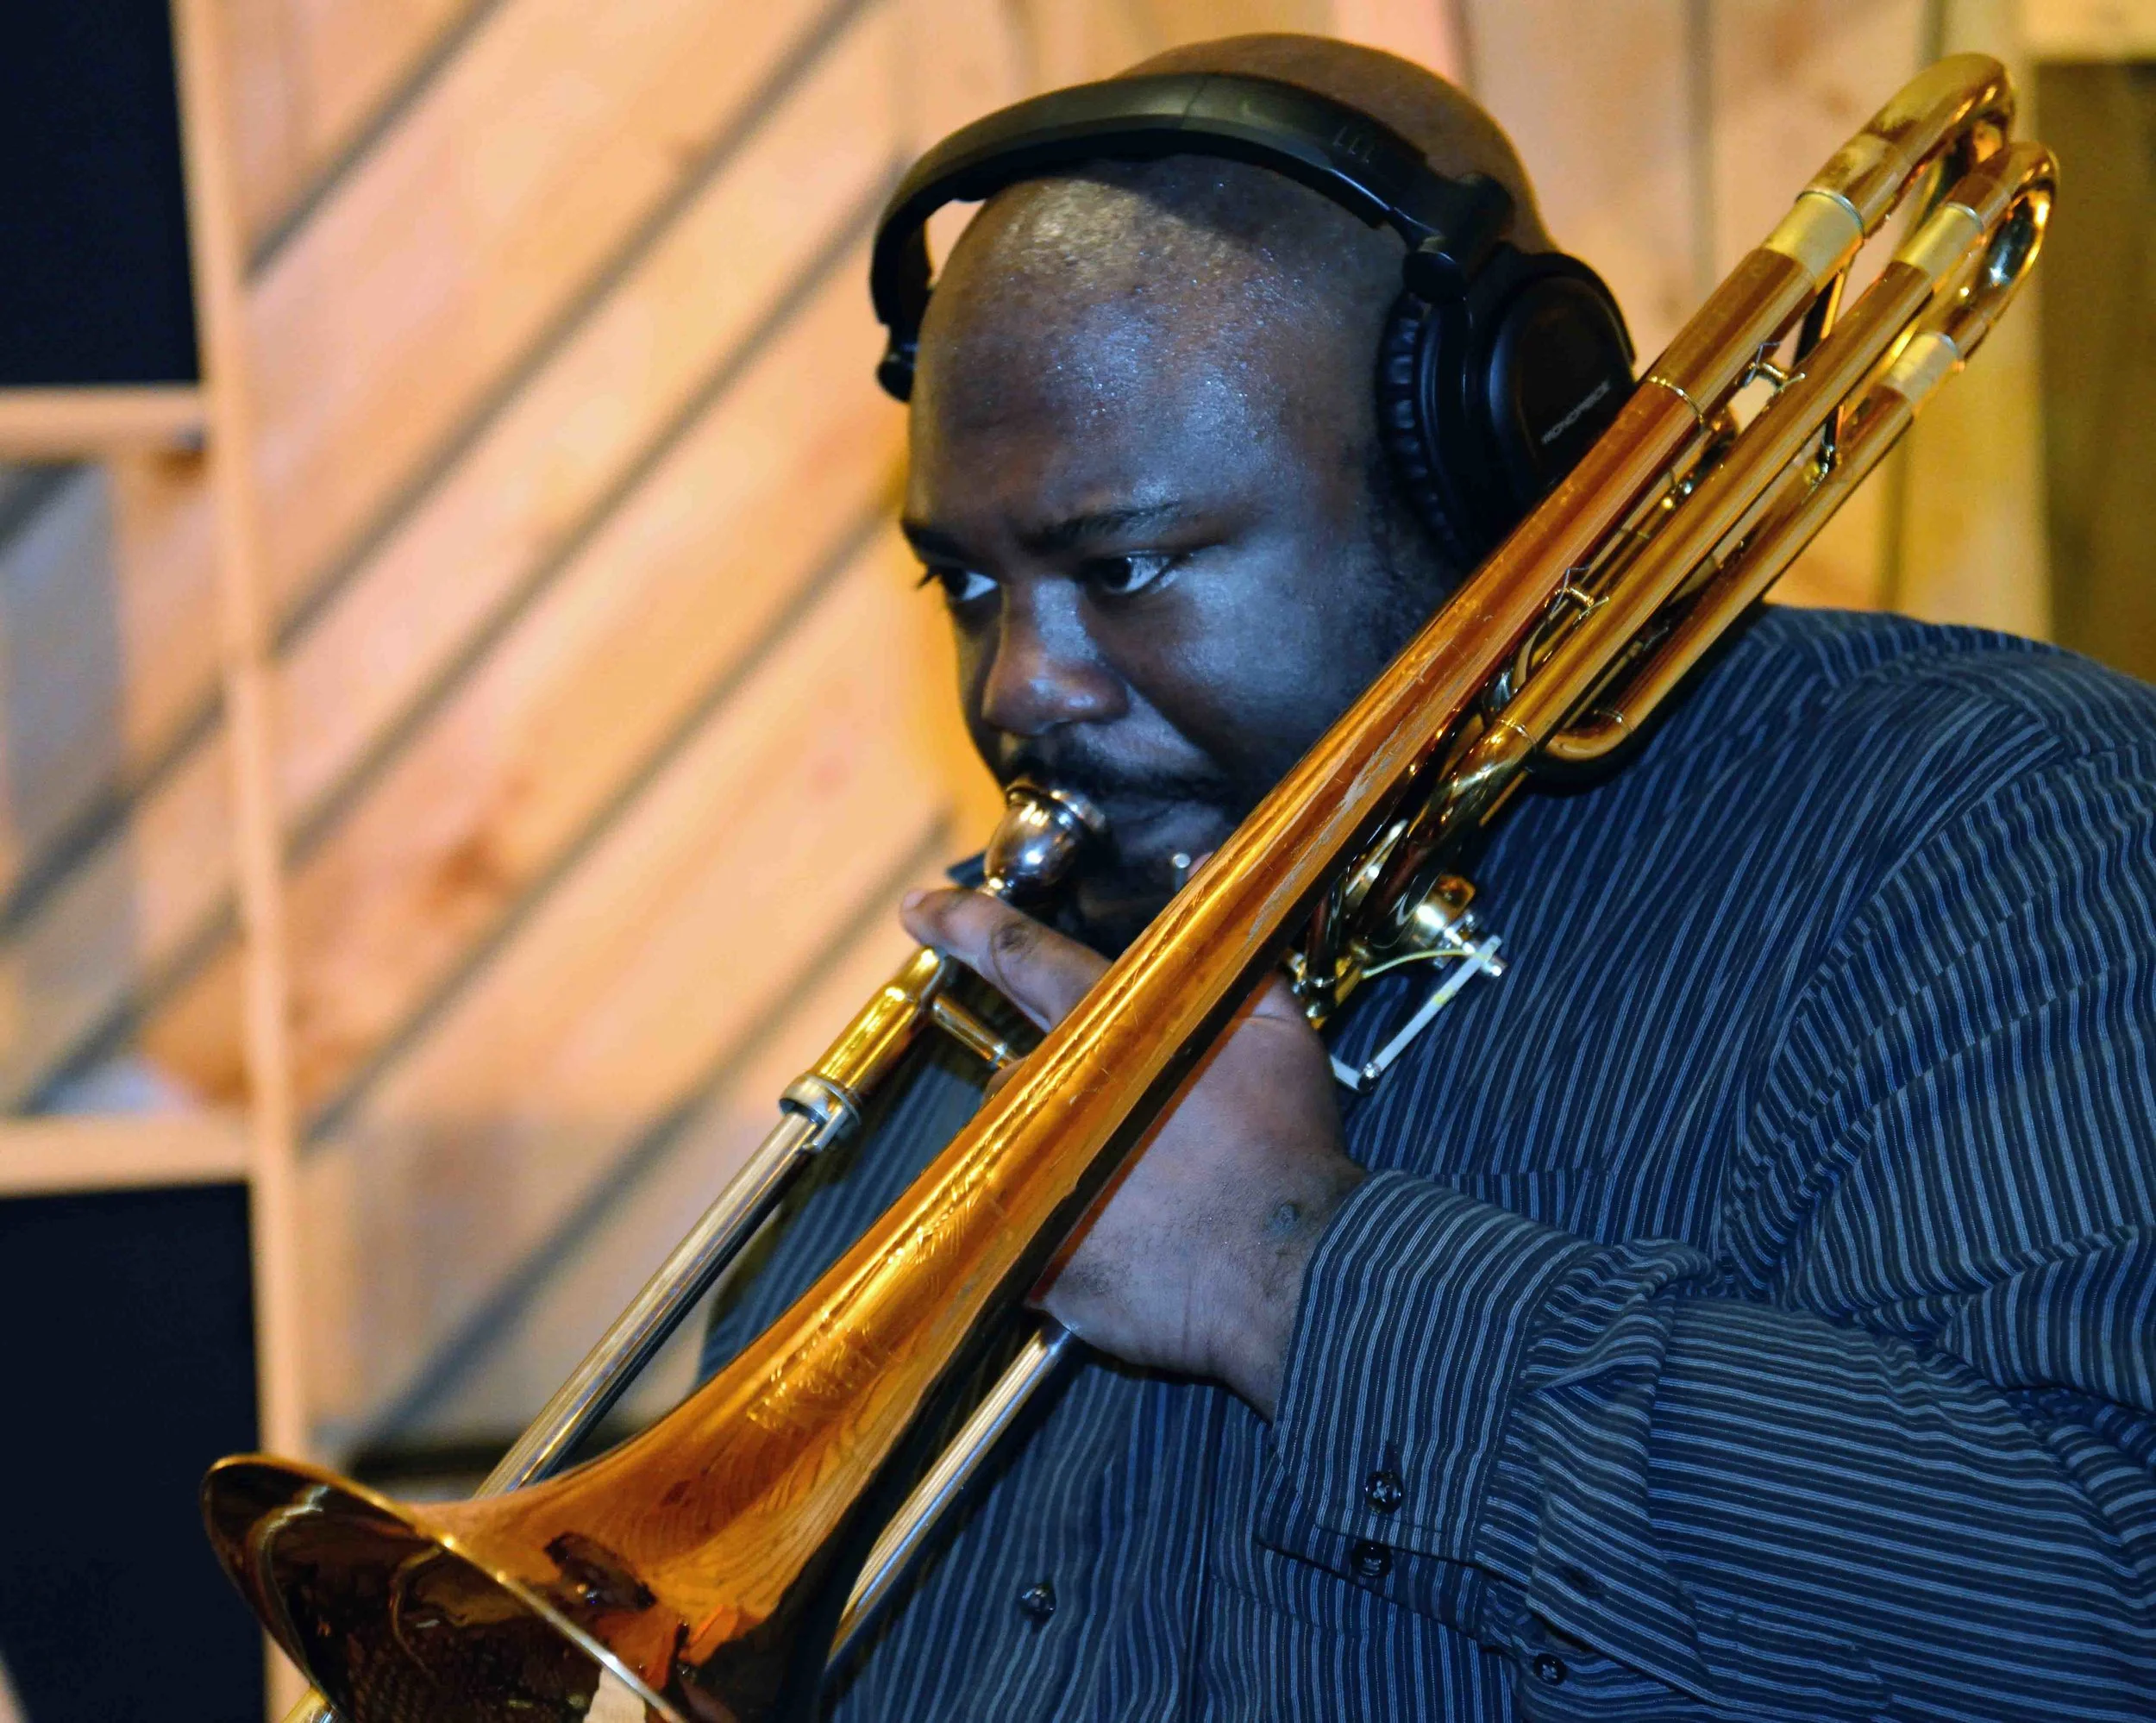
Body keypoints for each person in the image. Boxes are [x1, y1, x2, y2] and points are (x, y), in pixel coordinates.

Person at [702, 33, 2156, 1720]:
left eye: (1123, 565)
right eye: (963, 584)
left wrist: (1286, 1272)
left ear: (1483, 460)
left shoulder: (1983, 824)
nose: (1021, 684)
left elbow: (2092, 1619)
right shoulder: (980, 1012)